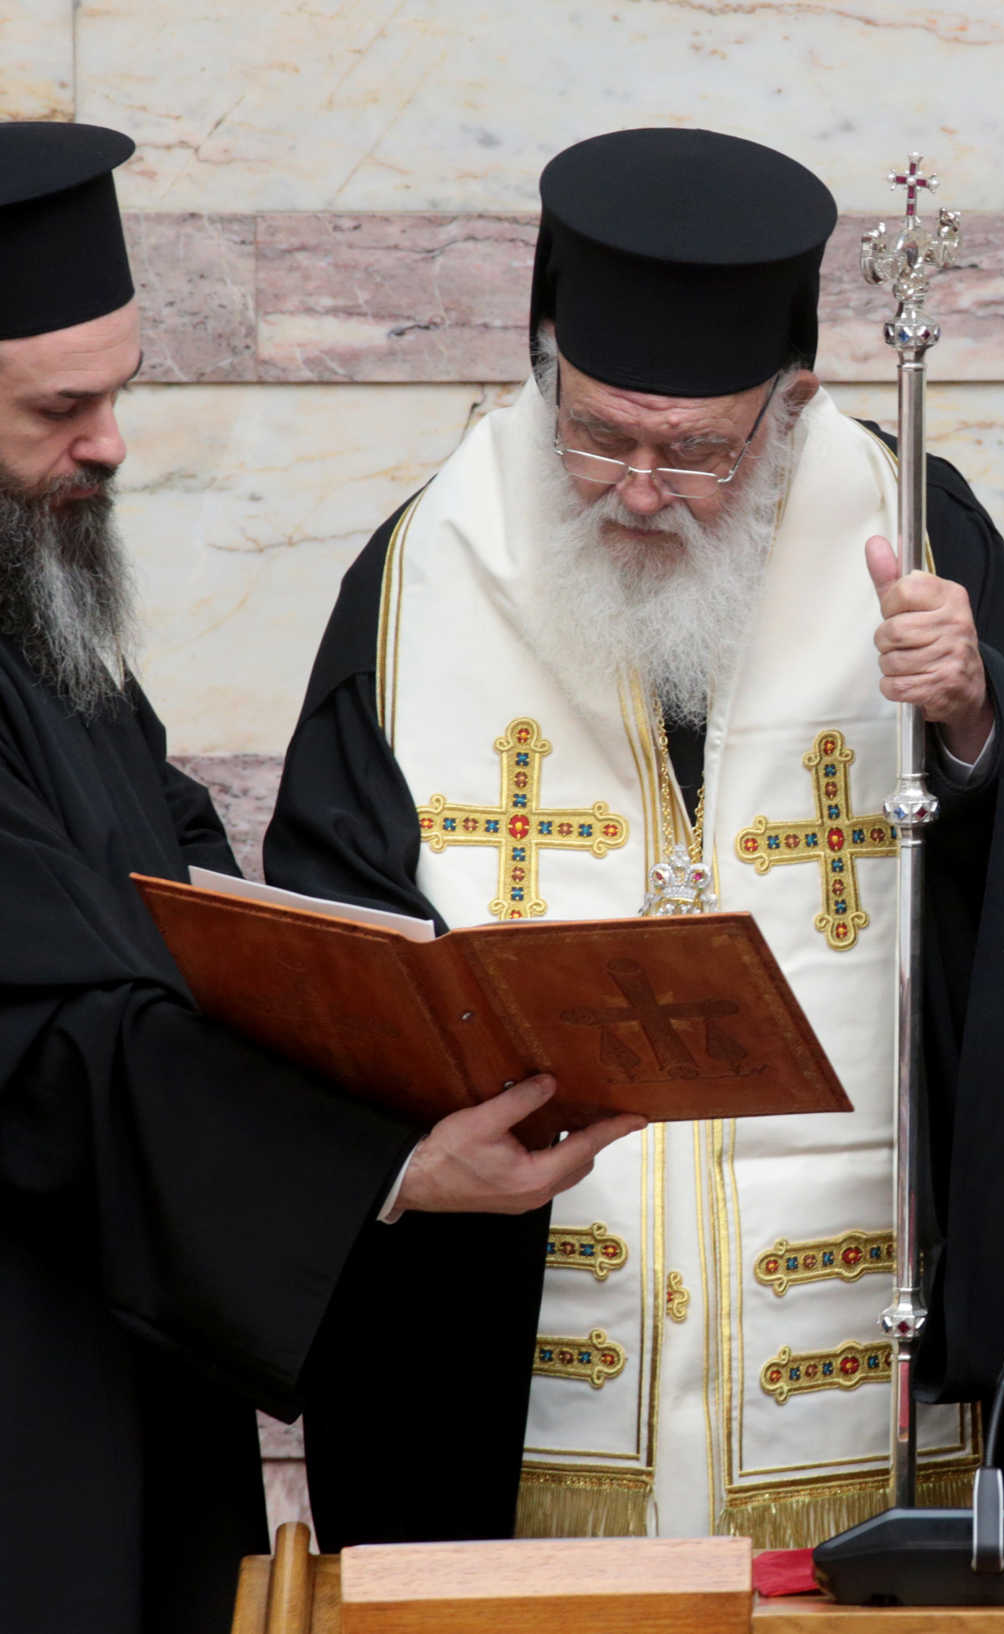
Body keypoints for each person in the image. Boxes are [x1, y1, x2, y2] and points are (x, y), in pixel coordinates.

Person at [265, 127, 1004, 1548]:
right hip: (522, 1381)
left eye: (697, 450)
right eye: (596, 432)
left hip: (847, 1371)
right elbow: (334, 944)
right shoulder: (426, 571)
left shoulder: (911, 524)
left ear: (791, 406)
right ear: (543, 368)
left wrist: (977, 715)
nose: (640, 486)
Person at [0, 121, 639, 1634]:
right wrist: (391, 1172)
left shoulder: (41, 614)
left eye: (119, 394)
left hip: (120, 1362)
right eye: (59, 407)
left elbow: (173, 893)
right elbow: (46, 1047)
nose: (108, 443)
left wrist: (377, 1009)